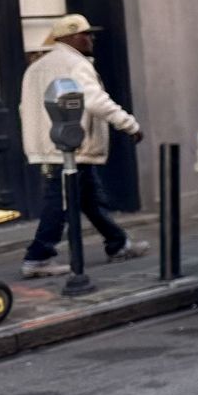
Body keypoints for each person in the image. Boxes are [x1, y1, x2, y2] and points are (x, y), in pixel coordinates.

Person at [18, 14, 149, 277]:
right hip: (70, 146)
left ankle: (118, 243)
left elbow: (24, 108)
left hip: (50, 145)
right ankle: (37, 257)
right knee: (59, 203)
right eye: (86, 34)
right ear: (72, 37)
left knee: (91, 200)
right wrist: (129, 124)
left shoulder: (37, 66)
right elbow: (95, 101)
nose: (91, 39)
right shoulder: (76, 64)